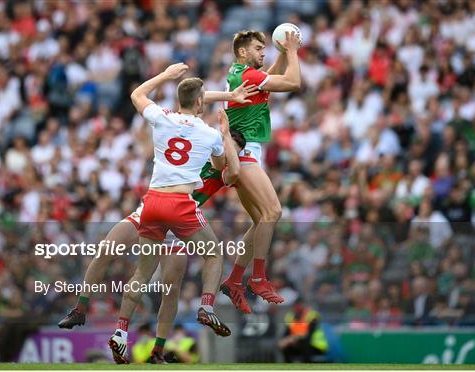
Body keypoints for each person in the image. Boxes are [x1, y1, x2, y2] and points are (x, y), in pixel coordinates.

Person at [58, 128, 247, 364]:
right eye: (229, 149)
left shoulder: (224, 170)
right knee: (107, 250)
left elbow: (232, 173)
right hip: (155, 212)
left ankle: (156, 349)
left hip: (180, 223)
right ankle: (81, 309)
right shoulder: (199, 148)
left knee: (170, 288)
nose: (229, 155)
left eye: (234, 153)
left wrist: (228, 142)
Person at [108, 63, 244, 364]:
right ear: (200, 102)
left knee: (142, 273)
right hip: (180, 204)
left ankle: (120, 332)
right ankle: (207, 307)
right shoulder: (208, 133)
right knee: (213, 255)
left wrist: (165, 76)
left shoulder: (161, 117)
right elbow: (225, 171)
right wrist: (223, 134)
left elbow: (137, 94)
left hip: (152, 202)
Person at [220, 29, 302, 313]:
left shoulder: (244, 74)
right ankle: (257, 278)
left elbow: (270, 76)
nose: (262, 52)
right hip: (243, 152)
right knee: (273, 213)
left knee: (259, 223)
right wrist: (291, 51)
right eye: (258, 48)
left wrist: (280, 54)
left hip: (243, 151)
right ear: (243, 52)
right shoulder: (247, 75)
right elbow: (292, 82)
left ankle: (233, 281)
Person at [278, 298, 328, 363]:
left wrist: (294, 338)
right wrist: (285, 341)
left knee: (305, 343)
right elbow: (286, 333)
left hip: (316, 346)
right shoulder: (291, 317)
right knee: (285, 346)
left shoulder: (312, 315)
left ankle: (306, 367)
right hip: (298, 344)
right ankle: (288, 367)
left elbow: (309, 335)